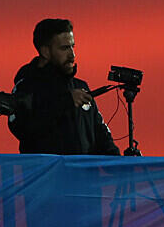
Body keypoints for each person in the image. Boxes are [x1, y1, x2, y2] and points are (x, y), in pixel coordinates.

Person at [8, 18, 120, 155]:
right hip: (46, 175)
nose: (72, 55)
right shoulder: (27, 86)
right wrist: (65, 102)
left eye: (73, 46)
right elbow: (23, 129)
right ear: (45, 51)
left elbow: (101, 134)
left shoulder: (80, 86)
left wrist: (119, 163)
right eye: (64, 48)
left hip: (82, 175)